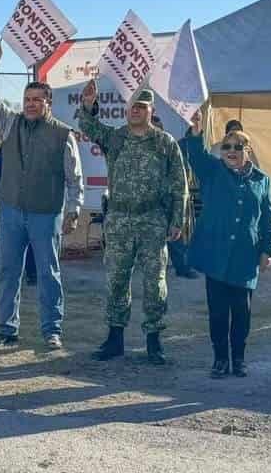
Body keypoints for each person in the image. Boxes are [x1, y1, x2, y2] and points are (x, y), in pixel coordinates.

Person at [0, 41, 84, 349]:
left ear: (48, 103)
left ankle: (52, 330)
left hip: (45, 213)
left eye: (37, 100)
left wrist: (73, 211)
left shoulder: (63, 135)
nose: (30, 104)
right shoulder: (10, 123)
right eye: (27, 99)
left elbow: (74, 179)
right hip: (11, 211)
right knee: (8, 272)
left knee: (49, 274)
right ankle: (6, 329)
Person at [77, 83, 187, 365]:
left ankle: (154, 341)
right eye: (132, 107)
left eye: (141, 107)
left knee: (155, 283)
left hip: (152, 220)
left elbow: (179, 186)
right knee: (116, 280)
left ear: (151, 110)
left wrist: (177, 220)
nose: (135, 111)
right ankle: (115, 339)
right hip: (119, 219)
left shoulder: (165, 143)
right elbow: (89, 126)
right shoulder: (115, 138)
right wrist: (89, 104)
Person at [183, 110, 271, 378]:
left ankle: (239, 358)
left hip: (245, 258)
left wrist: (267, 249)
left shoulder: (262, 180)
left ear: (248, 150)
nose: (231, 151)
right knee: (218, 312)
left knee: (242, 313)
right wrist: (196, 131)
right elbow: (196, 155)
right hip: (216, 255)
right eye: (226, 146)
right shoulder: (213, 171)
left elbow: (268, 220)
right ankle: (220, 358)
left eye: (238, 146)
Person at [151, 114, 199, 280]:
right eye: (152, 127)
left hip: (170, 202)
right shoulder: (138, 151)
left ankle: (182, 267)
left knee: (176, 238)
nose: (155, 131)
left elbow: (182, 173)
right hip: (150, 205)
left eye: (158, 128)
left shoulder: (172, 149)